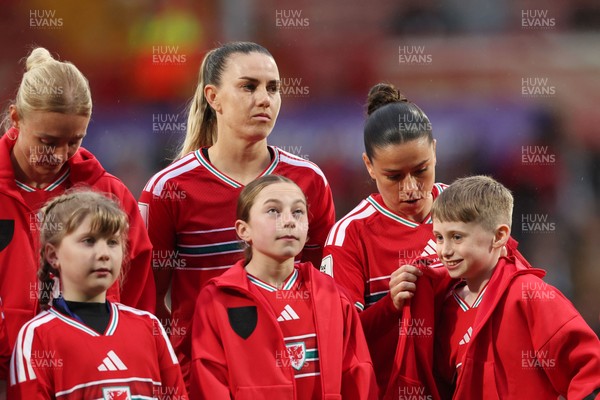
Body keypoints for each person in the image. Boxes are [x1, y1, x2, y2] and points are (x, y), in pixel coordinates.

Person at [139, 41, 335, 382]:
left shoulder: (308, 181)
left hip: (295, 374)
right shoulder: (168, 189)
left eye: (273, 89)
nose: (264, 99)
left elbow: (325, 292)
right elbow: (146, 302)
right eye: (249, 87)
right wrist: (183, 364)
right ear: (213, 97)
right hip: (203, 379)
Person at [0, 47, 155, 363]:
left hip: (88, 375)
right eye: (48, 141)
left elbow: (138, 299)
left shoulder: (110, 196)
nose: (58, 155)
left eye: (74, 141)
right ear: (16, 117)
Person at [189, 175, 377, 399]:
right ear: (243, 230)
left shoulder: (333, 296)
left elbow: (359, 379)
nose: (288, 221)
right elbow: (210, 386)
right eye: (273, 211)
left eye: (298, 212)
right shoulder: (216, 300)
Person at [321, 83, 453, 398]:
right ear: (369, 165)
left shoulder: (464, 207)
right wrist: (390, 306)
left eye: (421, 171)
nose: (410, 188)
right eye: (394, 177)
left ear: (434, 150)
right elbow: (337, 342)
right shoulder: (349, 235)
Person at [431, 175, 600, 399]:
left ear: (500, 235)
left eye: (457, 237)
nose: (445, 250)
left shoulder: (530, 294)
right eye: (439, 238)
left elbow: (588, 373)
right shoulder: (445, 309)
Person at [9, 191, 187, 399]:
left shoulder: (150, 327)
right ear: (53, 255)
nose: (104, 253)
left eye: (112, 242)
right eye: (89, 241)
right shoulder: (36, 337)